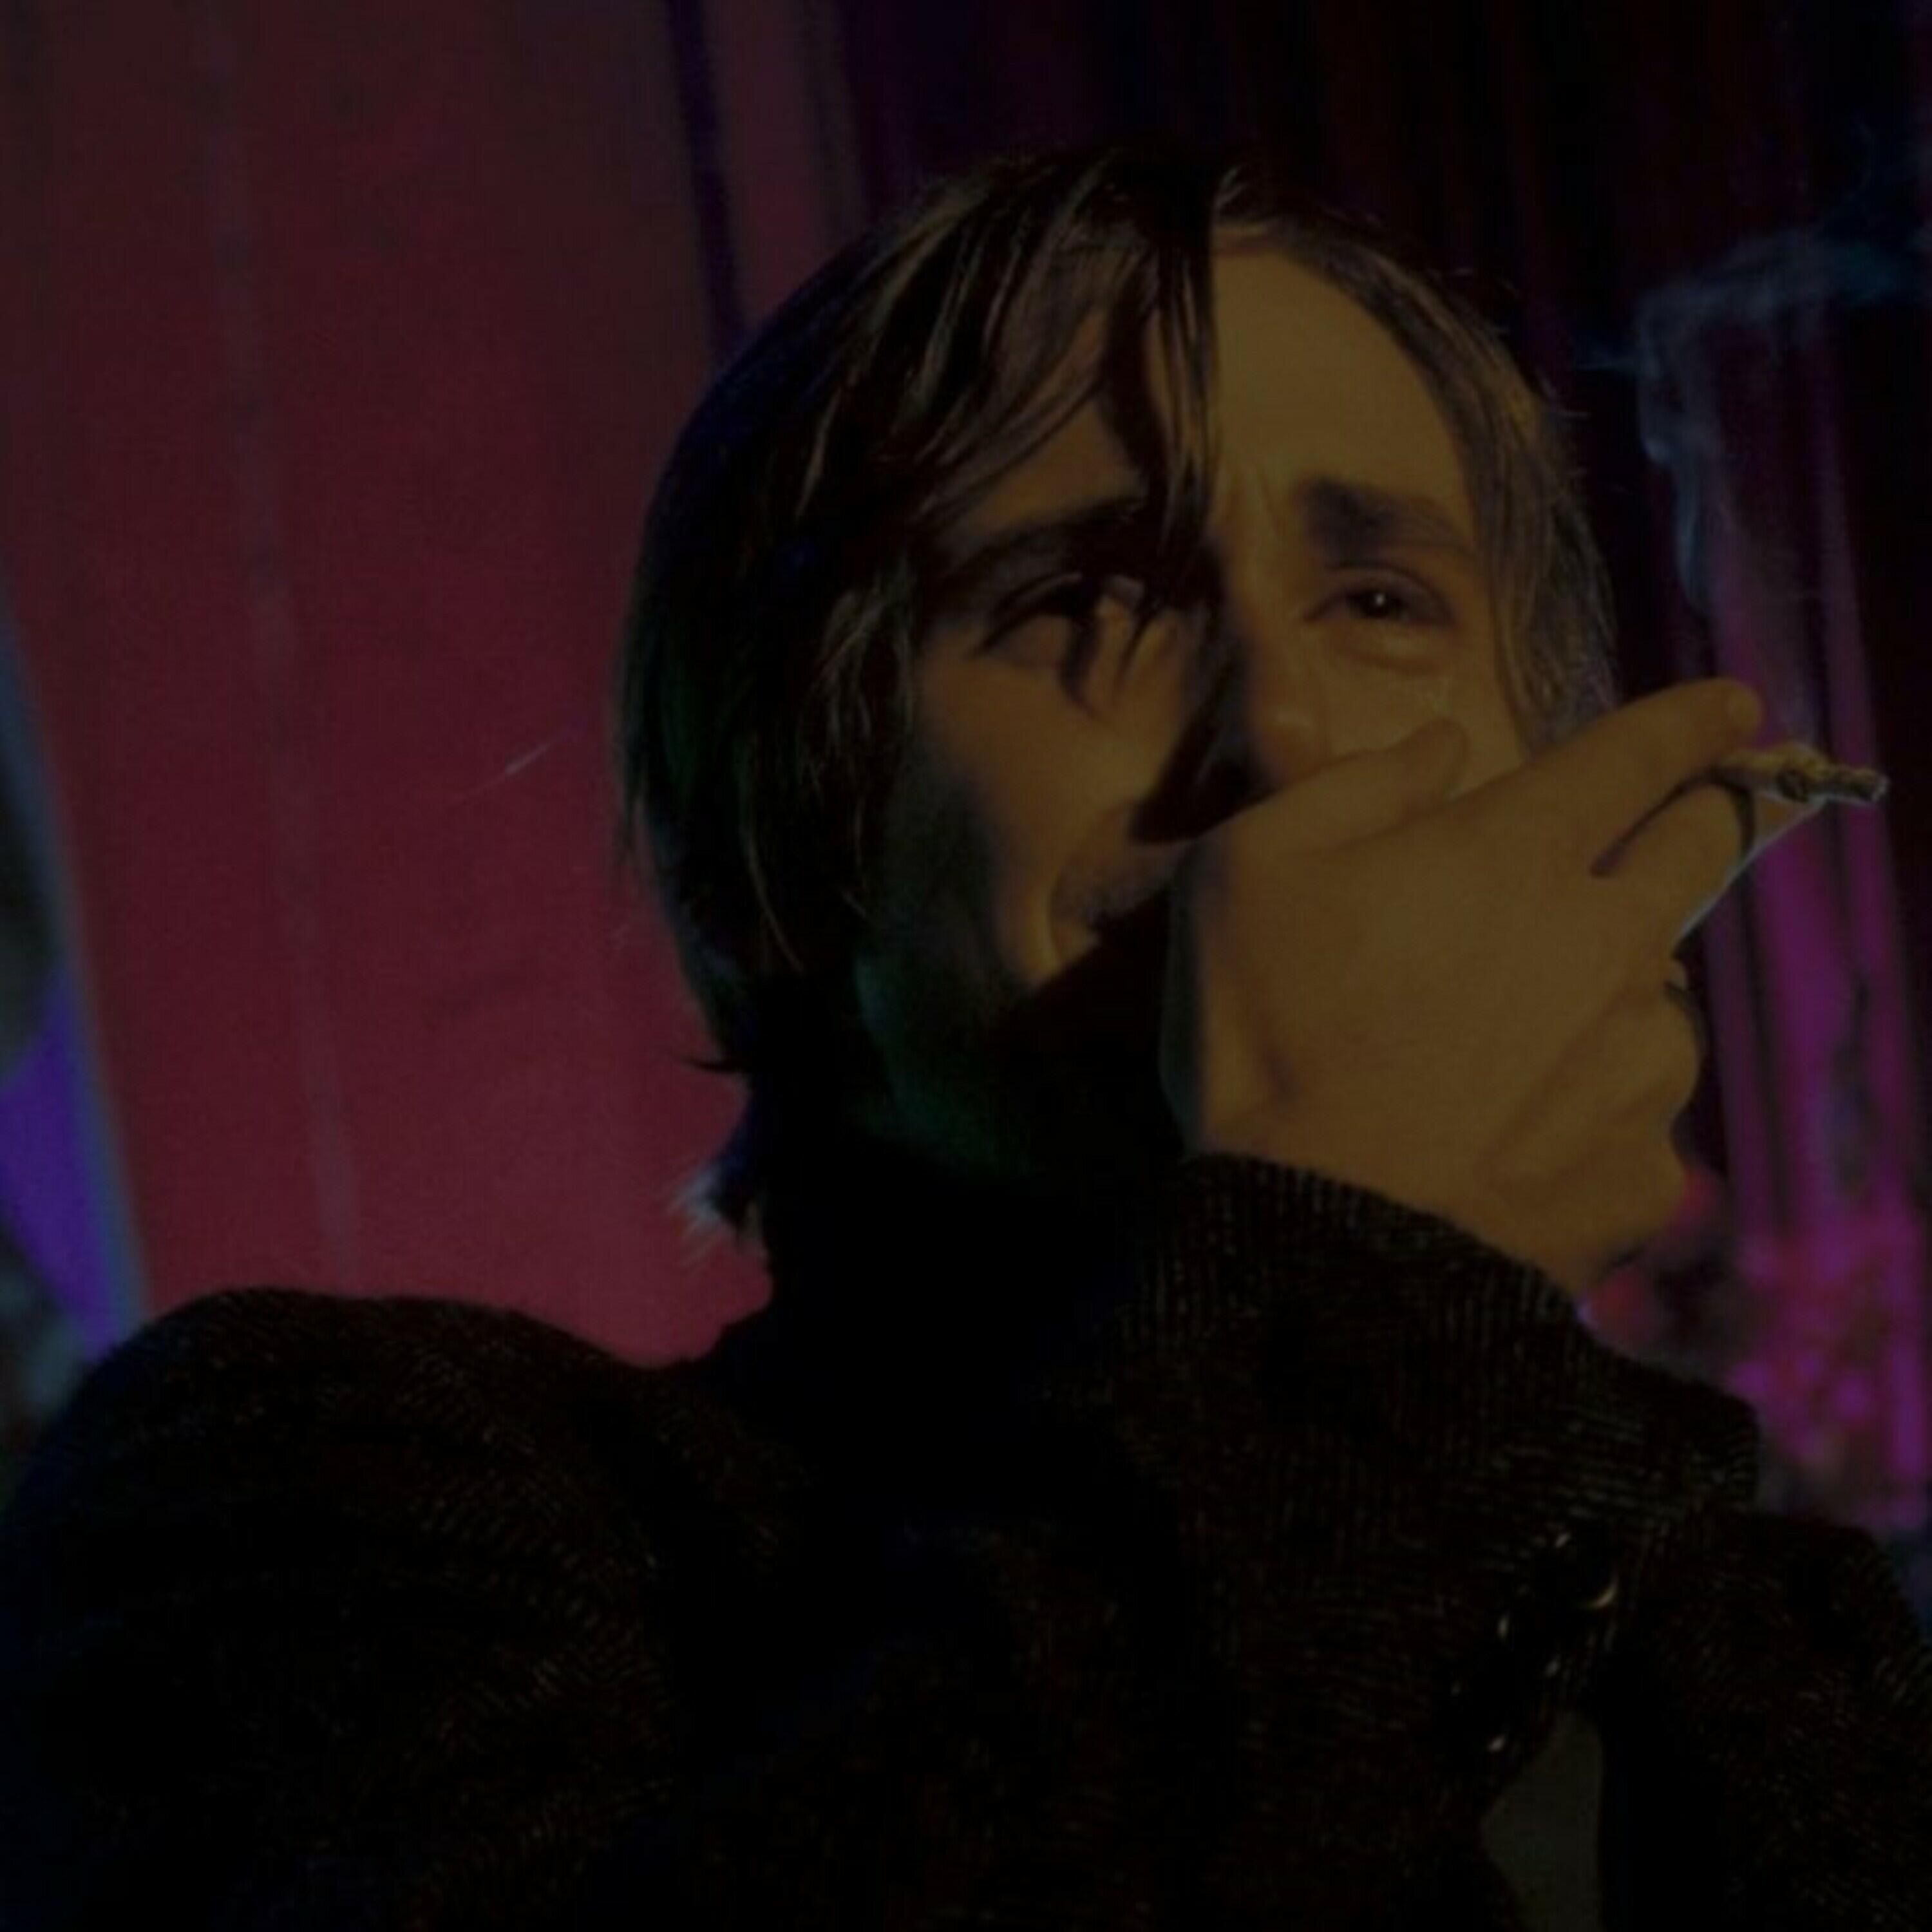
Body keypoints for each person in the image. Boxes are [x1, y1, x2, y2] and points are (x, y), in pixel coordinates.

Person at [1, 142, 1927, 1929]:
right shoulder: (314, 1502)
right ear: (782, 844)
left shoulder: (1772, 1650)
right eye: (1082, 599)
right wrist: (1365, 1263)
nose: (1283, 738)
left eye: (1379, 597)